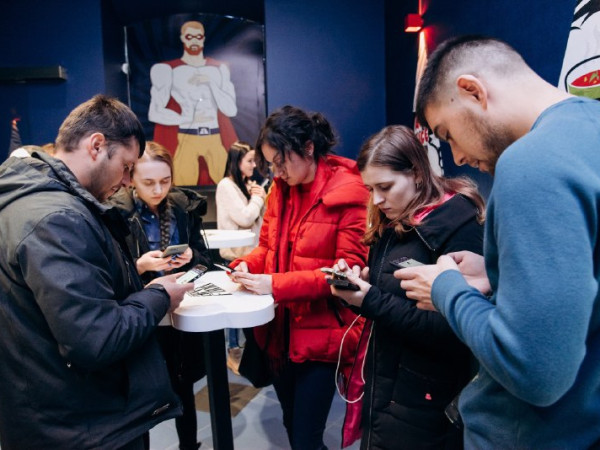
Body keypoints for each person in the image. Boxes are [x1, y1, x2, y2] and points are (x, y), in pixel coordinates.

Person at [396, 35, 600, 448]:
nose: (456, 157)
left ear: (472, 90)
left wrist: (446, 289)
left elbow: (534, 371)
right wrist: (498, 273)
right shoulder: (589, 129)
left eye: (447, 133)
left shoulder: (531, 163)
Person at [0, 95, 192, 449]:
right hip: (82, 425)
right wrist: (159, 295)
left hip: (55, 413)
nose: (127, 181)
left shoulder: (33, 201)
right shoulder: (57, 219)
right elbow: (97, 338)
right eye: (126, 166)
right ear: (97, 145)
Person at [326, 125, 484, 449]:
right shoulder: (394, 215)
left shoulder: (460, 225)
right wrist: (359, 287)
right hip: (388, 381)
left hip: (427, 396)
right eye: (370, 188)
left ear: (416, 173)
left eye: (384, 187)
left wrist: (370, 299)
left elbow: (452, 329)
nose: (376, 199)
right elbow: (392, 298)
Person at [229, 105, 369, 450]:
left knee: (306, 437)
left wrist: (274, 285)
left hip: (321, 334)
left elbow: (345, 274)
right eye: (271, 164)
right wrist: (246, 265)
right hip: (279, 332)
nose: (276, 171)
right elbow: (266, 247)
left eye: (280, 161)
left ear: (308, 148)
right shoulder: (281, 189)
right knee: (293, 424)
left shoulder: (349, 191)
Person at [110, 141, 210, 450]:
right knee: (141, 397)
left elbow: (204, 260)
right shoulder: (115, 212)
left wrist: (191, 258)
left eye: (165, 181)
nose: (158, 190)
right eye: (148, 182)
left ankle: (189, 445)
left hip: (180, 312)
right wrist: (139, 266)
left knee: (184, 388)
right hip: (140, 316)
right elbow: (106, 276)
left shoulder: (182, 206)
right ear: (130, 179)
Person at [149, 20, 238, 186]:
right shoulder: (169, 70)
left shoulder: (219, 70)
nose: (194, 41)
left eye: (198, 37)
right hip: (187, 137)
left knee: (230, 186)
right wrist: (184, 119)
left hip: (214, 137)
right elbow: (155, 111)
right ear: (183, 38)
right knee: (181, 190)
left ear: (203, 39)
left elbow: (230, 110)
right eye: (190, 37)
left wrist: (211, 84)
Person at [215, 141, 267, 375]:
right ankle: (232, 350)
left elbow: (259, 220)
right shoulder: (226, 185)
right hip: (236, 255)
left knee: (245, 306)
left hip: (250, 254)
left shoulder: (246, 185)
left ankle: (243, 352)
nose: (254, 165)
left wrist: (259, 197)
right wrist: (258, 198)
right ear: (237, 161)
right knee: (234, 306)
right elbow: (245, 218)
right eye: (249, 160)